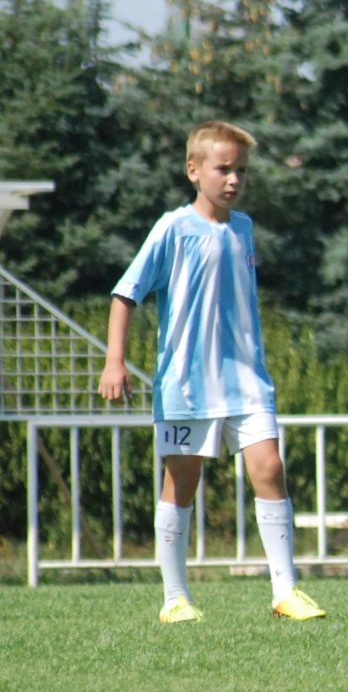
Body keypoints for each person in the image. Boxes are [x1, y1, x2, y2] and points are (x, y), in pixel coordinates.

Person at [99, 120, 325, 623]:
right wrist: (115, 361)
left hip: (247, 380)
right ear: (193, 170)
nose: (233, 180)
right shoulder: (172, 228)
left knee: (270, 468)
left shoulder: (243, 227)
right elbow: (125, 293)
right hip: (187, 383)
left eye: (241, 170)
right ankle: (175, 598)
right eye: (223, 169)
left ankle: (285, 592)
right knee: (181, 481)